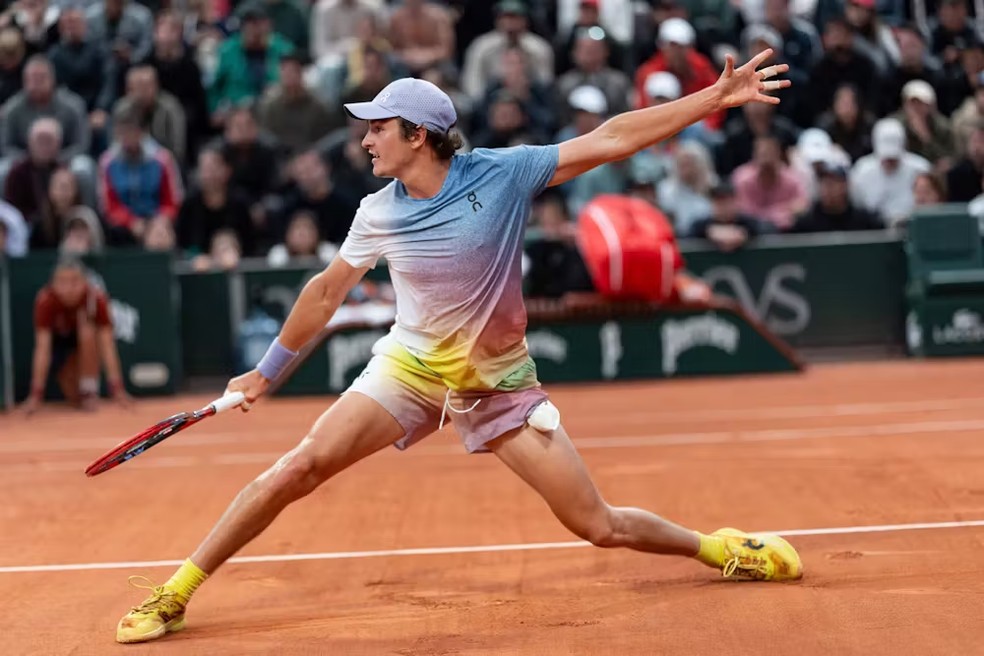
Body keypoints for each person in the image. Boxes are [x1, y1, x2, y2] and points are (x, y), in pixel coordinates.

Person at [115, 50, 802, 644]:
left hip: (497, 384)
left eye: (378, 127)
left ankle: (719, 548)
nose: (365, 140)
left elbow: (613, 138)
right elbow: (325, 293)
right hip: (411, 368)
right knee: (298, 467)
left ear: (418, 136)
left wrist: (713, 98)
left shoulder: (504, 175)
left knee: (598, 525)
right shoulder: (377, 211)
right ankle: (174, 592)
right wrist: (266, 373)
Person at [21, 257, 130, 415]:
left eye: (75, 281)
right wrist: (35, 395)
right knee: (74, 397)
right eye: (62, 282)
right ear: (53, 284)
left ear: (85, 282)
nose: (69, 288)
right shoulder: (45, 300)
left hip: (86, 347)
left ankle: (89, 390)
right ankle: (80, 391)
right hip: (59, 349)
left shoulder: (96, 299)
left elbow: (107, 346)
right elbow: (42, 349)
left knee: (87, 330)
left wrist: (117, 389)